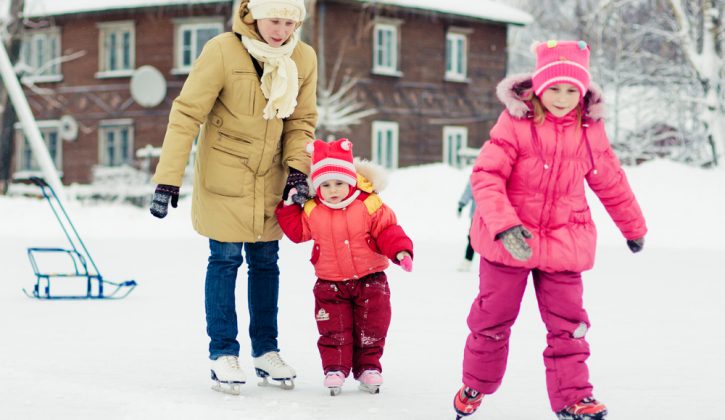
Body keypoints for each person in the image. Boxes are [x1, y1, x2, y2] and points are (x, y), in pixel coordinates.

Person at [452, 40, 647, 420]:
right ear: (539, 87)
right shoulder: (516, 122)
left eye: (571, 90)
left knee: (570, 325)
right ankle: (476, 383)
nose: (562, 97)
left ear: (583, 91)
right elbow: (487, 176)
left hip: (564, 240)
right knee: (492, 319)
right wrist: (505, 225)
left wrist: (633, 226)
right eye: (554, 88)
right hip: (510, 242)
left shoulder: (589, 129)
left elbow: (609, 179)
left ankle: (574, 397)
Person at [149, 0, 318, 395]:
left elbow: (301, 121)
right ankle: (223, 352)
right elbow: (187, 113)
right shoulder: (223, 50)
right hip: (225, 176)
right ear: (253, 14)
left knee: (266, 263)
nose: (282, 29)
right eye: (275, 19)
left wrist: (298, 171)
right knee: (224, 260)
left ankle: (266, 350)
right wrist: (167, 179)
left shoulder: (303, 57)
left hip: (271, 177)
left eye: (290, 21)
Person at [275, 138, 414, 396]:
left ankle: (369, 367)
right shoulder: (313, 209)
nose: (333, 190)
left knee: (372, 327)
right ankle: (335, 369)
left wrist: (400, 251)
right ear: (318, 186)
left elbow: (388, 230)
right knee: (333, 330)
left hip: (370, 279)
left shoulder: (369, 204)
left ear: (350, 181)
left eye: (339, 183)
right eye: (326, 185)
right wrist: (288, 207)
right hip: (330, 282)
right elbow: (297, 233)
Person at [456, 180, 476, 271]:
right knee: (473, 237)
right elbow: (469, 190)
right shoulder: (477, 174)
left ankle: (494, 263)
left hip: (492, 214)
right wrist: (462, 203)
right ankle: (467, 260)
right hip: (476, 214)